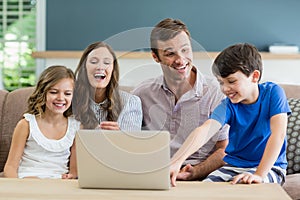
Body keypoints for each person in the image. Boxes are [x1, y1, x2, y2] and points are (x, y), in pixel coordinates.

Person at [170, 43, 291, 186]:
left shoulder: (273, 93)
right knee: (207, 188)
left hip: (269, 168)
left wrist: (259, 174)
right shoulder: (228, 105)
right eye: (221, 83)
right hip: (233, 166)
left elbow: (278, 135)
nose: (225, 89)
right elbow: (204, 131)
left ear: (254, 76)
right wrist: (176, 162)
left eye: (231, 81)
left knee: (251, 187)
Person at [133, 18, 229, 181]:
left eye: (185, 50)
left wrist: (195, 172)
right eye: (170, 54)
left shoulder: (217, 93)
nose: (180, 60)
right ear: (155, 57)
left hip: (201, 176)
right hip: (156, 175)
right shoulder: (143, 93)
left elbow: (224, 150)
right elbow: (127, 138)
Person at [4, 65, 80, 179]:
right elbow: (10, 167)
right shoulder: (26, 124)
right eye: (54, 92)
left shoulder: (75, 127)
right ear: (42, 93)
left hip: (58, 183)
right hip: (27, 180)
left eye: (67, 94)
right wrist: (18, 187)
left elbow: (74, 172)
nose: (60, 98)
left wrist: (71, 177)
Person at [72, 41, 142, 130]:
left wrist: (119, 136)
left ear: (113, 70)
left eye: (107, 62)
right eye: (93, 62)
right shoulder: (70, 99)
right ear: (84, 68)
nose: (100, 67)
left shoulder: (130, 102)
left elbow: (133, 143)